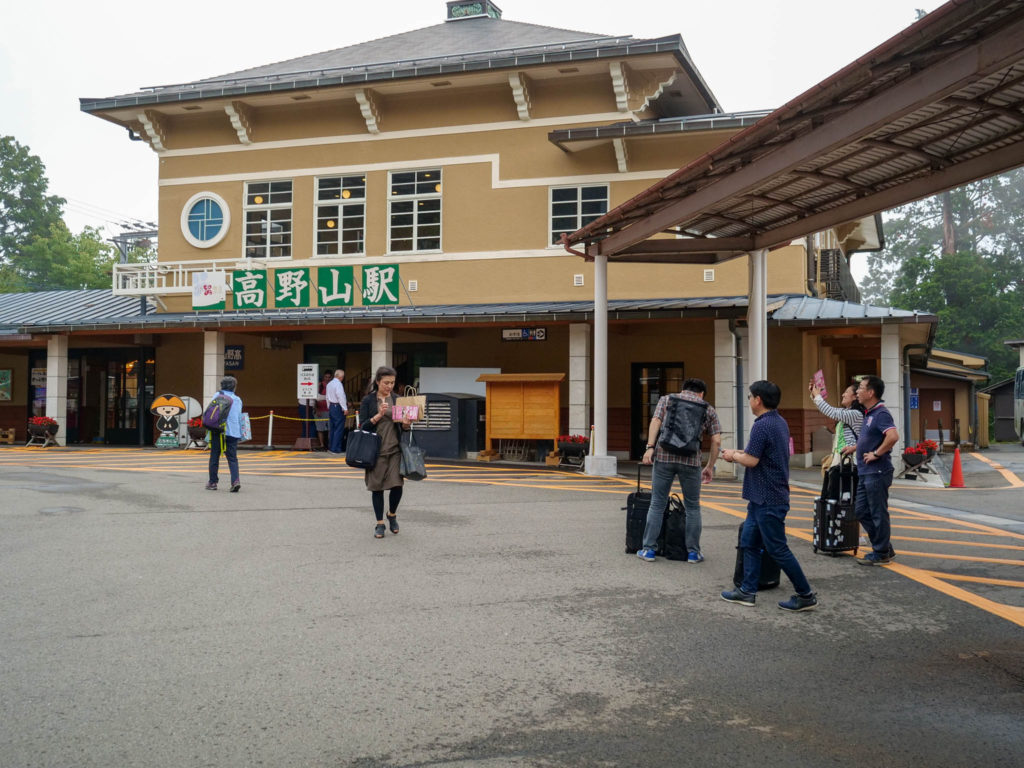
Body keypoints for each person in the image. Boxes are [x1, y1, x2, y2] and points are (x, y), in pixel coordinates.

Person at [720, 380, 817, 612]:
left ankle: (805, 594)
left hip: (768, 498)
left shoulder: (762, 425)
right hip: (761, 498)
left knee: (777, 548)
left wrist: (733, 456)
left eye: (750, 397)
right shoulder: (778, 421)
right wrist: (738, 453)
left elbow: (751, 460)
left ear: (758, 400)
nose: (750, 401)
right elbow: (757, 453)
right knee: (749, 543)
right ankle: (747, 591)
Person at [636, 377, 722, 563]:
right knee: (692, 507)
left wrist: (650, 447)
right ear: (701, 393)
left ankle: (649, 550)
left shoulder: (666, 400)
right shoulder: (708, 408)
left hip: (664, 456)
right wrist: (709, 466)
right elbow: (716, 440)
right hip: (691, 461)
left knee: (657, 504)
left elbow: (655, 421)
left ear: (683, 390)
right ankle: (693, 553)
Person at [358, 366, 412, 539]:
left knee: (397, 485)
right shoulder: (368, 401)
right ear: (378, 382)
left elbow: (404, 429)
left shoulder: (398, 399)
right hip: (374, 450)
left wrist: (406, 424)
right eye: (386, 382)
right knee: (377, 488)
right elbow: (363, 426)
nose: (389, 386)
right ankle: (379, 523)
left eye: (392, 382)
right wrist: (379, 415)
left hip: (395, 448)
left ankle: (392, 514)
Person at [853, 375, 900, 565]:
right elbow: (870, 439)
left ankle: (880, 552)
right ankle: (884, 546)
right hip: (866, 472)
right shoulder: (869, 413)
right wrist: (856, 448)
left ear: (871, 392)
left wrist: (876, 454)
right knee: (861, 510)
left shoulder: (881, 413)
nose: (857, 391)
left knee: (877, 512)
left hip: (877, 471)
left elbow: (893, 436)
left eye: (861, 388)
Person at [809, 378, 865, 462]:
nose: (843, 395)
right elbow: (829, 410)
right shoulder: (846, 412)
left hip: (851, 459)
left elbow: (831, 411)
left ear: (854, 396)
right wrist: (814, 394)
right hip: (843, 456)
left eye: (846, 392)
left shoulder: (855, 414)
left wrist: (817, 396)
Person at [205, 375, 243, 492]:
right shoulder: (237, 399)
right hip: (233, 432)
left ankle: (213, 482)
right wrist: (240, 433)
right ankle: (235, 481)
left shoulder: (217, 396)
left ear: (221, 386)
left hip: (218, 431)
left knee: (214, 456)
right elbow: (238, 417)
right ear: (234, 387)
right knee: (232, 458)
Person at [326, 368, 349, 455]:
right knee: (339, 428)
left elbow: (327, 397)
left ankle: (331, 446)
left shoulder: (329, 384)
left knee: (332, 428)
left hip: (331, 406)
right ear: (341, 377)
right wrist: (345, 408)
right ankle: (335, 448)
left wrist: (329, 406)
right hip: (338, 406)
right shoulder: (338, 384)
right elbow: (341, 397)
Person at [315, 370, 332, 450]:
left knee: (330, 429)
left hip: (329, 410)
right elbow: (314, 399)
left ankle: (329, 444)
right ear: (323, 377)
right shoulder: (319, 386)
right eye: (326, 377)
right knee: (320, 429)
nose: (327, 379)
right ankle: (322, 445)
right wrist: (316, 409)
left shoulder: (332, 386)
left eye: (329, 377)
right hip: (320, 410)